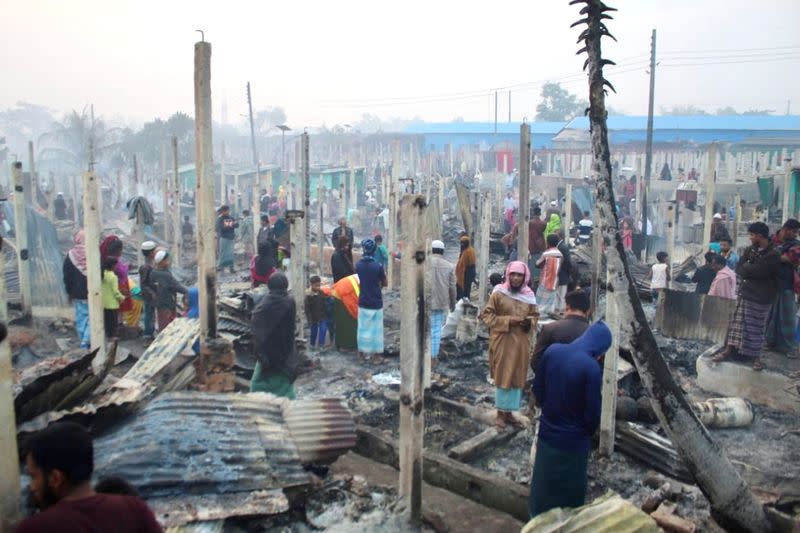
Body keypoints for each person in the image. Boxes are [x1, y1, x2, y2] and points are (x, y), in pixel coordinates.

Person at [14, 422, 162, 533]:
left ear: (56, 478)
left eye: (34, 476)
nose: (31, 487)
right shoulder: (135, 510)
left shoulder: (35, 528)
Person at [529, 321, 611, 518]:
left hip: (547, 436)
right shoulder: (591, 368)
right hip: (573, 445)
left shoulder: (553, 351)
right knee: (568, 500)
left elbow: (538, 392)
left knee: (542, 491)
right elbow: (592, 414)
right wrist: (586, 433)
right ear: (600, 349)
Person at [714, 222, 781, 371]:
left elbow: (758, 271)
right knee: (736, 326)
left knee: (756, 329)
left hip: (761, 297)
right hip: (746, 293)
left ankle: (756, 358)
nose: (750, 238)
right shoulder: (750, 250)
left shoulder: (773, 254)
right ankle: (728, 351)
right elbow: (740, 268)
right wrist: (748, 269)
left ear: (760, 236)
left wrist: (748, 269)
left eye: (751, 235)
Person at [480, 261, 538, 429]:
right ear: (507, 275)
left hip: (521, 343)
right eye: (512, 274)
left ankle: (510, 413)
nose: (515, 278)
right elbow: (487, 316)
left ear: (524, 277)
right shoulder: (498, 293)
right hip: (503, 341)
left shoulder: (529, 296)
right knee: (503, 375)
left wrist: (529, 322)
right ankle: (500, 413)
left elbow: (535, 315)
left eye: (519, 275)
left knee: (517, 376)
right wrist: (508, 321)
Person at [250, 273, 300, 398]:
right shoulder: (289, 301)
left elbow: (256, 324)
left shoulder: (264, 302)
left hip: (266, 351)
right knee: (284, 382)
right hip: (285, 349)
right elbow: (291, 326)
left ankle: (260, 403)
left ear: (269, 286)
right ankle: (288, 406)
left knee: (257, 383)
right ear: (285, 285)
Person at [531, 289, 591, 371]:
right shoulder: (593, 333)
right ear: (588, 312)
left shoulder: (550, 328)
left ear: (567, 307)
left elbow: (535, 362)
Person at [766, 218, 800, 355]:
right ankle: (770, 343)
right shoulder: (773, 239)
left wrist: (771, 255)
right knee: (771, 316)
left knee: (787, 317)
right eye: (794, 232)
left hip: (787, 285)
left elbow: (790, 258)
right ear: (786, 230)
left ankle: (789, 347)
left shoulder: (796, 244)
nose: (796, 234)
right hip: (771, 284)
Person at [355, 239, 387, 361]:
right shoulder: (378, 266)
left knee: (362, 328)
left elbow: (358, 281)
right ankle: (376, 356)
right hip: (376, 302)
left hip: (363, 300)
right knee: (376, 329)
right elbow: (385, 282)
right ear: (374, 250)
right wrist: (378, 286)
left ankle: (361, 354)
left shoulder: (358, 265)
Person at [430, 239, 456, 364]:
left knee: (423, 329)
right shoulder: (449, 266)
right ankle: (433, 358)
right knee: (436, 330)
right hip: (440, 302)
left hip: (424, 302)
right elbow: (452, 287)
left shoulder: (423, 264)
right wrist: (453, 304)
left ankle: (422, 355)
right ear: (443, 251)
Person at [63, 230, 90, 349]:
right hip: (93, 292)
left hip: (77, 292)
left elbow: (67, 276)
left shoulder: (70, 255)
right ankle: (87, 340)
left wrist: (69, 291)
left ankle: (83, 340)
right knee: (92, 317)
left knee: (81, 317)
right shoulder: (93, 253)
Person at [150, 250, 187, 332]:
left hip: (159, 302)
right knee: (167, 325)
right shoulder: (164, 275)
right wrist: (188, 292)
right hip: (167, 303)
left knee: (162, 322)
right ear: (162, 261)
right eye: (166, 260)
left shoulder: (154, 272)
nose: (168, 262)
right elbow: (175, 285)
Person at [100, 236, 132, 329]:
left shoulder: (106, 259)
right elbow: (122, 272)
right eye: (120, 250)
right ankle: (118, 324)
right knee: (119, 307)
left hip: (116, 287)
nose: (121, 252)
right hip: (120, 285)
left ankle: (117, 324)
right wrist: (127, 267)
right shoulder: (115, 261)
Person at [536, 235, 563, 317]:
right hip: (555, 281)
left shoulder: (546, 253)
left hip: (545, 280)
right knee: (550, 301)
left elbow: (537, 264)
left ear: (547, 242)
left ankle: (539, 316)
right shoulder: (560, 254)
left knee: (540, 301)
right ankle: (547, 316)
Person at [332, 273, 360, 352]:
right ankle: (347, 346)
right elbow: (356, 302)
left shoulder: (359, 276)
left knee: (341, 321)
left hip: (338, 291)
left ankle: (340, 343)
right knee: (350, 319)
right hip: (343, 294)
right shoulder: (365, 280)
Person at [137, 241, 158, 341]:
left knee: (151, 315)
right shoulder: (146, 267)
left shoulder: (150, 265)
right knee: (149, 315)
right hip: (149, 295)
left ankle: (150, 333)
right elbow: (144, 284)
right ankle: (147, 335)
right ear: (151, 253)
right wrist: (152, 293)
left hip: (151, 294)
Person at [101, 257, 124, 339]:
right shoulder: (113, 277)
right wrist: (122, 297)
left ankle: (108, 335)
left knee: (107, 321)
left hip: (104, 303)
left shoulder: (103, 274)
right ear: (113, 266)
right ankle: (113, 337)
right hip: (112, 304)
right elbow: (115, 291)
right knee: (113, 322)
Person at [305, 275, 328, 352]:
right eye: (316, 286)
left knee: (323, 329)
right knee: (313, 331)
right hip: (313, 317)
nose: (318, 287)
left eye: (319, 285)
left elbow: (325, 303)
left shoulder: (321, 292)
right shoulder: (308, 295)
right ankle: (312, 344)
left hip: (322, 315)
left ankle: (321, 345)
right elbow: (307, 309)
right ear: (311, 285)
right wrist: (309, 320)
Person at [215, 205, 238, 273]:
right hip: (224, 238)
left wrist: (228, 224)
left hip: (231, 238)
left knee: (230, 253)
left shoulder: (231, 217)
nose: (228, 212)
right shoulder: (220, 218)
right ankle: (221, 267)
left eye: (228, 210)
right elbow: (220, 228)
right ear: (223, 211)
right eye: (226, 210)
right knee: (223, 253)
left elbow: (237, 225)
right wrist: (231, 224)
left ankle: (231, 268)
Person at [528, 206, 547, 287]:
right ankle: (540, 283)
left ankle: (531, 283)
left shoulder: (530, 223)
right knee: (540, 266)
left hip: (532, 247)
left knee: (532, 267)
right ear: (540, 213)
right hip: (541, 246)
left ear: (533, 213)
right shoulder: (544, 223)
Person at [555, 231, 573, 312]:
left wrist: (567, 272)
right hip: (562, 273)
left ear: (559, 236)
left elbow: (568, 262)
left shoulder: (562, 247)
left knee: (561, 295)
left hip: (563, 273)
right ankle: (559, 310)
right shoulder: (561, 246)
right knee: (559, 294)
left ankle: (561, 311)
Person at [455, 235, 477, 300]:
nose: (462, 244)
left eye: (464, 243)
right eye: (461, 243)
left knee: (464, 288)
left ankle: (463, 301)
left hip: (467, 271)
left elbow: (467, 264)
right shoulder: (465, 250)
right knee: (465, 287)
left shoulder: (469, 251)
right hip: (466, 271)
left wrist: (460, 273)